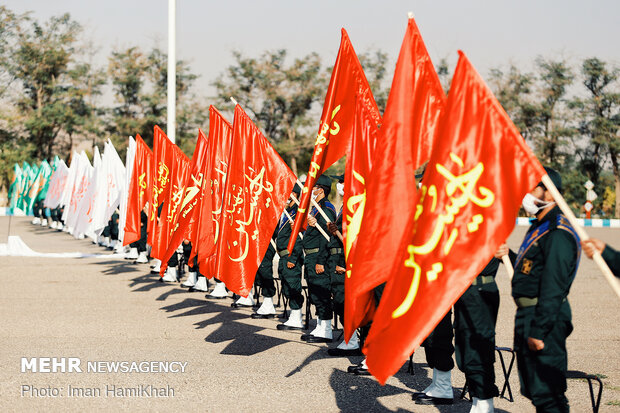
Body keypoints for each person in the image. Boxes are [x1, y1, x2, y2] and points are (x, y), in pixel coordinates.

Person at [510, 167, 580, 413]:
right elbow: (533, 268)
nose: (526, 193)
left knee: (548, 393)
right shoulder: (541, 224)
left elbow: (554, 286)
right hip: (530, 314)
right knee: (535, 390)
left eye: (532, 187)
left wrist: (539, 330)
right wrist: (505, 256)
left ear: (549, 194)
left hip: (544, 316)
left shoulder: (558, 231)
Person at [453, 257, 506, 413]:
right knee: (465, 347)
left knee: (478, 348)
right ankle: (477, 398)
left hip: (480, 289)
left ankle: (485, 401)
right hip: (464, 289)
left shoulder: (487, 233)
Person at [327, 176, 361, 356]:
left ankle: (353, 340)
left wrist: (337, 232)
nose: (340, 185)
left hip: (345, 260)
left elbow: (353, 240)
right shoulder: (343, 207)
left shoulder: (355, 207)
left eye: (343, 182)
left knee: (343, 301)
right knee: (339, 302)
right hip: (337, 260)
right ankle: (351, 338)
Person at [300, 175, 336, 343]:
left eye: (314, 187)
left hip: (318, 256)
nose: (311, 190)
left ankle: (327, 329)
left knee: (322, 293)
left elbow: (327, 235)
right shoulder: (317, 207)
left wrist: (321, 260)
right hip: (311, 256)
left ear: (320, 189)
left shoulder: (326, 208)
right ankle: (320, 326)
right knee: (315, 293)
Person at [276, 187, 305, 331]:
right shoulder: (287, 210)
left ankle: (296, 317)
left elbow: (298, 239)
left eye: (289, 192)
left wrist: (293, 258)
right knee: (286, 286)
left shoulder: (297, 212)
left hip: (290, 256)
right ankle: (294, 315)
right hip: (283, 256)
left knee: (293, 286)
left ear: (295, 194)